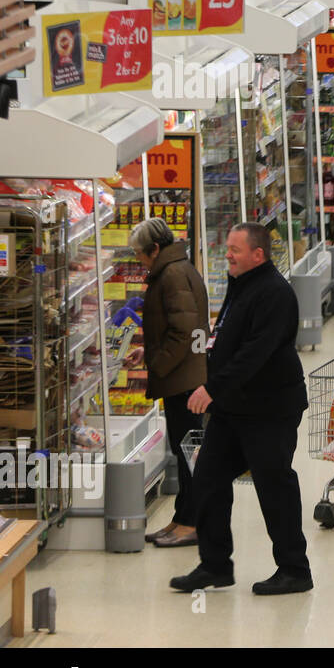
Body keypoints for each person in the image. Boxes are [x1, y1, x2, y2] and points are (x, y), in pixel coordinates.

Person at [170, 223, 312, 596]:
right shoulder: (242, 284)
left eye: (234, 249)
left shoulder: (275, 293)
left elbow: (256, 353)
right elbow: (226, 342)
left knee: (273, 485)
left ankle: (295, 569)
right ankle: (215, 565)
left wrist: (212, 388)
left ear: (257, 255)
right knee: (207, 480)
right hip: (234, 408)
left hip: (270, 408)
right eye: (228, 247)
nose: (227, 254)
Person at [130, 218, 208, 550]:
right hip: (182, 375)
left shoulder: (173, 274)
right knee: (184, 449)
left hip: (184, 379)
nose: (138, 261)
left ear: (155, 249)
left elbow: (185, 331)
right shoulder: (174, 269)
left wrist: (157, 362)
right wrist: (145, 350)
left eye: (139, 255)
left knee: (189, 452)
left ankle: (193, 523)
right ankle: (182, 518)